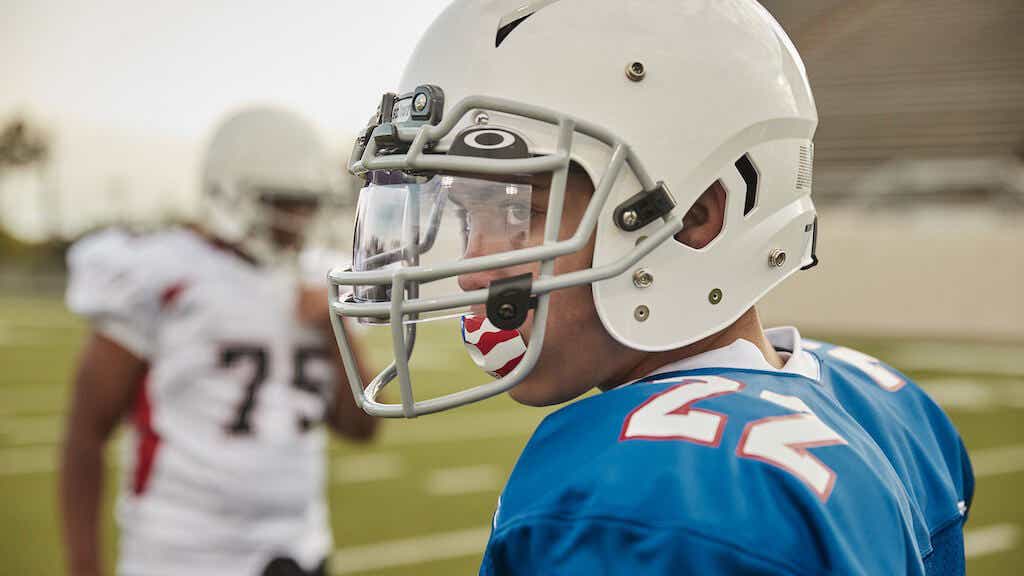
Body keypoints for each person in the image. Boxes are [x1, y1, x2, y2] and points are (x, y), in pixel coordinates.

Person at [328, 1, 973, 574]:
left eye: (518, 209)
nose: (471, 270)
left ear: (696, 217)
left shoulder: (645, 499)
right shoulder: (884, 403)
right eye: (471, 216)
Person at [61, 106, 377, 576]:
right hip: (183, 553)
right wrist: (84, 565)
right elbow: (86, 435)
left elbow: (363, 427)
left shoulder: (317, 280)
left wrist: (335, 333)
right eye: (285, 202)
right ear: (231, 195)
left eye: (308, 203)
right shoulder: (162, 273)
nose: (301, 218)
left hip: (300, 547)